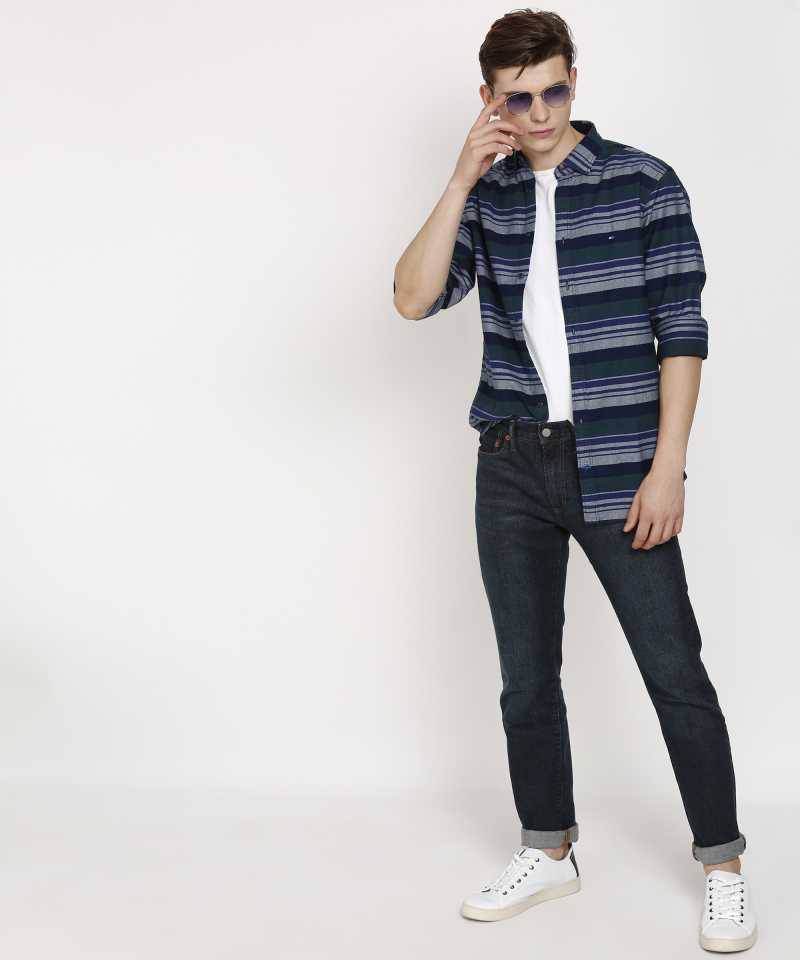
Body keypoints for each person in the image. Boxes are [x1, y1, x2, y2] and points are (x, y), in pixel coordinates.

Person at [392, 8, 757, 953]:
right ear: (489, 100)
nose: (542, 112)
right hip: (512, 461)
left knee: (674, 670)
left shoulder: (644, 182)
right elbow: (413, 297)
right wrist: (459, 178)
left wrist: (667, 468)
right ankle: (549, 849)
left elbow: (682, 331)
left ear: (574, 82)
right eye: (519, 99)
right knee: (526, 678)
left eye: (554, 90)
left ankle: (722, 866)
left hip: (621, 462)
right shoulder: (490, 196)